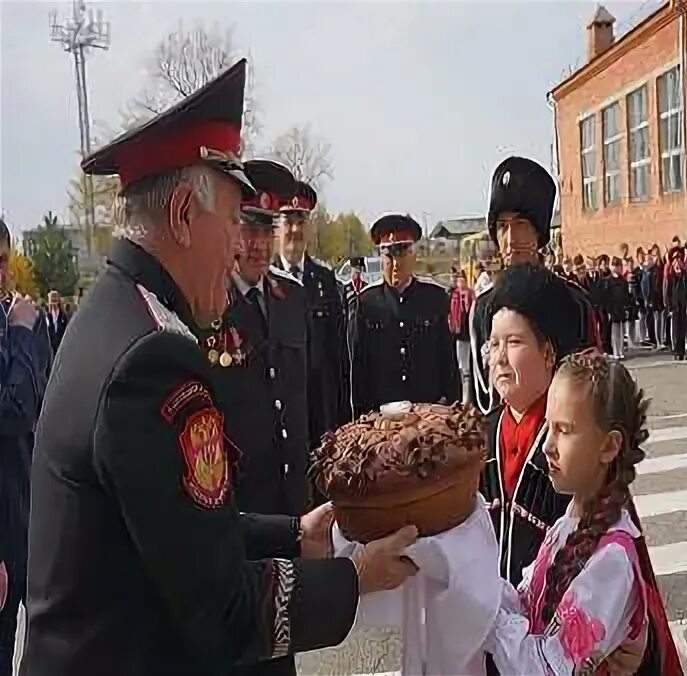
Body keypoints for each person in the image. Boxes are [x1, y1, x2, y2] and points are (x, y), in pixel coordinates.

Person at [21, 60, 418, 676]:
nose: (241, 244)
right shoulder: (154, 360)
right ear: (182, 214)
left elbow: (181, 526)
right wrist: (353, 579)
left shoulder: (116, 312)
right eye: (234, 221)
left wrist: (293, 535)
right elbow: (222, 611)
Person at [485, 349, 682, 675]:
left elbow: (545, 668)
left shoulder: (611, 562)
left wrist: (485, 615)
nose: (547, 445)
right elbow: (524, 603)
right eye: (548, 427)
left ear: (608, 446)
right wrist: (476, 583)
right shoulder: (569, 522)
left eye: (564, 430)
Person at [204, 159, 316, 535]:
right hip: (243, 504)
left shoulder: (293, 296)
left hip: (295, 492)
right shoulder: (210, 305)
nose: (259, 245)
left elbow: (310, 389)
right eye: (250, 229)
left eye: (267, 231)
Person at [470, 156, 599, 415]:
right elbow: (481, 399)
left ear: (539, 233)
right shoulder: (483, 307)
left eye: (520, 225)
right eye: (502, 227)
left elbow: (594, 388)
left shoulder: (573, 302)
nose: (510, 239)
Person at [0, 219, 50, 676]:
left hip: (24, 516)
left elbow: (40, 402)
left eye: (3, 262)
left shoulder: (13, 318)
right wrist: (19, 334)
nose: (2, 275)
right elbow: (13, 411)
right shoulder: (13, 325)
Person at [347, 213, 459, 416]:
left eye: (401, 254)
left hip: (428, 416)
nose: (395, 264)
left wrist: (451, 408)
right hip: (382, 420)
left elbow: (448, 361)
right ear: (381, 258)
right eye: (388, 256)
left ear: (413, 255)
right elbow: (358, 369)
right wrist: (362, 416)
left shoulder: (434, 298)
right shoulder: (366, 303)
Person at [273, 178, 350, 454]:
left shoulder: (325, 280)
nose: (294, 229)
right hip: (281, 412)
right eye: (288, 220)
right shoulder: (265, 279)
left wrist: (341, 420)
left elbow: (338, 356)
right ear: (277, 227)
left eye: (301, 220)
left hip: (321, 409)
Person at [448, 271, 476, 404]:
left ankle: (468, 399)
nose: (460, 282)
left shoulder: (470, 295)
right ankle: (462, 397)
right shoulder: (454, 295)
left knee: (467, 369)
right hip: (458, 334)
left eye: (461, 280)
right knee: (461, 367)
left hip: (468, 334)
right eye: (458, 280)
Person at [45, 289, 68, 354]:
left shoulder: (63, 315)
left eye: (55, 300)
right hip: (50, 347)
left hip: (61, 346)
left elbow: (66, 330)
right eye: (52, 300)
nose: (53, 303)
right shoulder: (47, 316)